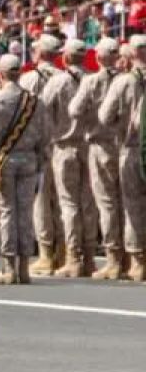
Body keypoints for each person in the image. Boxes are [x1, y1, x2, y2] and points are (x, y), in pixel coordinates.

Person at [0, 54, 50, 284]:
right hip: (29, 160)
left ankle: (9, 267)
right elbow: (45, 137)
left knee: (6, 212)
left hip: (2, 162)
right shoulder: (36, 102)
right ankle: (25, 267)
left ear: (0, 73)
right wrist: (41, 163)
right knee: (25, 211)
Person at [68, 38, 124, 279]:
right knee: (128, 204)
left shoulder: (92, 81)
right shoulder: (128, 79)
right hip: (123, 144)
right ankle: (132, 258)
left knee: (106, 203)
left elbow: (75, 109)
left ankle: (113, 258)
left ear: (99, 57)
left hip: (100, 144)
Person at [41, 39, 97, 277]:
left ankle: (73, 257)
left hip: (64, 146)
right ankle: (90, 256)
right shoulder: (94, 80)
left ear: (65, 58)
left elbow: (43, 111)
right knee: (89, 203)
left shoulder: (59, 81)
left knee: (69, 204)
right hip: (89, 145)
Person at [97, 34, 146, 282]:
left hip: (132, 147)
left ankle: (138, 262)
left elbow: (105, 117)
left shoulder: (123, 82)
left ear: (129, 57)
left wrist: (121, 126)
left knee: (134, 206)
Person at [19, 35, 64, 275]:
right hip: (66, 141)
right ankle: (65, 252)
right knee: (67, 202)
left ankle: (47, 253)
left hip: (41, 145)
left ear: (41, 53)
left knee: (42, 201)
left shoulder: (29, 79)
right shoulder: (68, 77)